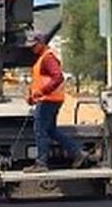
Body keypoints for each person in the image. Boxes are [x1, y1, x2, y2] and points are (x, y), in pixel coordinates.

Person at [23, 32, 89, 172]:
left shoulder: (47, 58)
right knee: (51, 130)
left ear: (41, 43)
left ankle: (41, 163)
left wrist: (43, 91)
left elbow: (58, 77)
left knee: (40, 130)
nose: (32, 49)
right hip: (50, 99)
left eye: (34, 46)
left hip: (48, 100)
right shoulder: (43, 58)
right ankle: (78, 153)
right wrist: (33, 95)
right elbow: (41, 80)